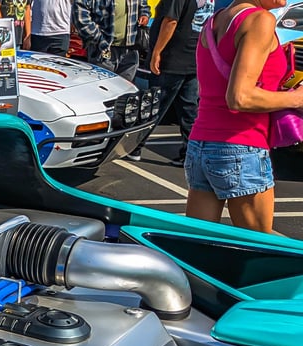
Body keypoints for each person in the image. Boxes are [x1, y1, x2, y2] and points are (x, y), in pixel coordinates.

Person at [186, 0, 303, 232]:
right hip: (241, 146)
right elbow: (240, 97)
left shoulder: (213, 22)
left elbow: (209, 89)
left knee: (198, 242)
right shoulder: (260, 20)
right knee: (259, 245)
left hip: (201, 144)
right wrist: (297, 99)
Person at [127, 0, 210, 163]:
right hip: (193, 56)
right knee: (189, 110)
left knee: (155, 105)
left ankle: (134, 147)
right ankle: (190, 154)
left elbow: (171, 21)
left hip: (172, 57)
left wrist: (157, 52)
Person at [73, 0, 151, 82]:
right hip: (101, 50)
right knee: (101, 86)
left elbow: (144, 6)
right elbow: (80, 17)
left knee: (125, 88)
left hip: (130, 51)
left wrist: (144, 14)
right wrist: (99, 39)